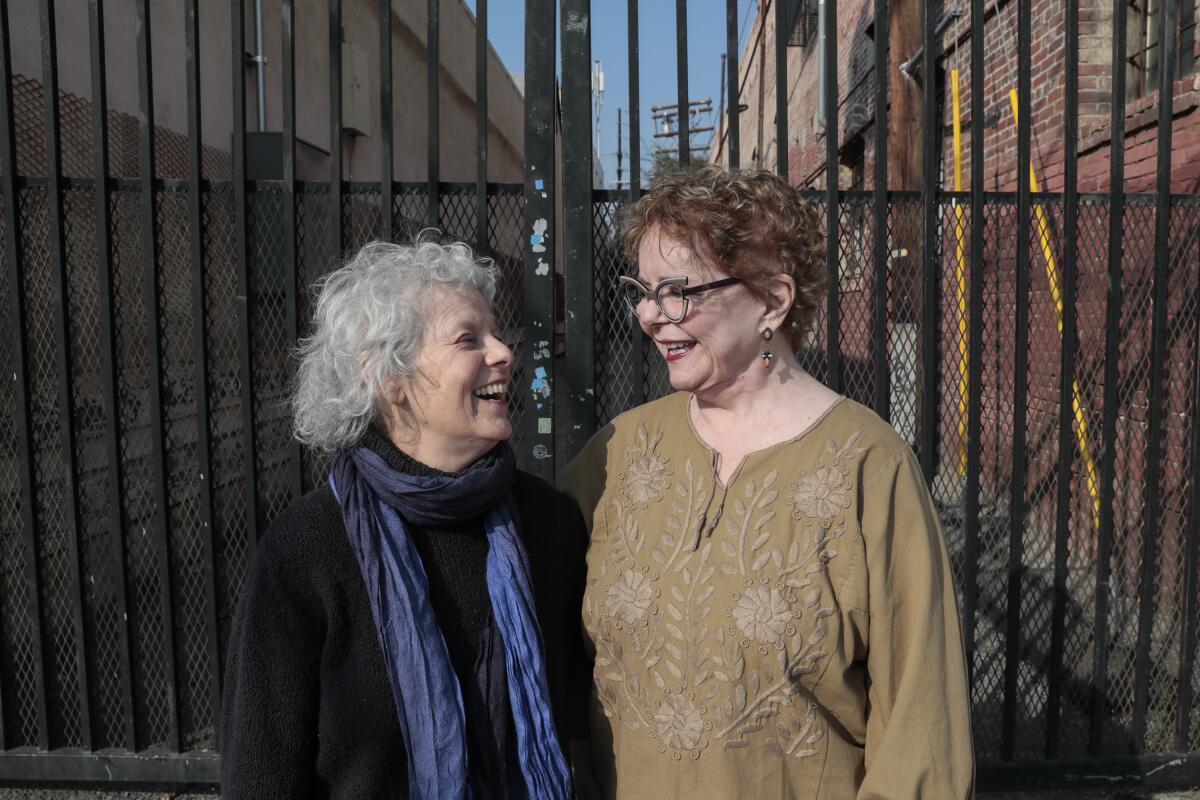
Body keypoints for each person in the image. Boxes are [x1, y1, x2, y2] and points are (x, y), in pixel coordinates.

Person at [563, 166, 974, 799]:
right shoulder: (617, 453)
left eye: (676, 290)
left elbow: (921, 720)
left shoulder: (868, 464)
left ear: (773, 301)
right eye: (642, 290)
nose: (649, 315)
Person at [221, 239, 588, 800]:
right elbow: (262, 772)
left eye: (496, 332)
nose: (504, 352)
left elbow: (582, 728)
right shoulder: (307, 549)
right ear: (388, 379)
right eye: (469, 339)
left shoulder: (552, 524)